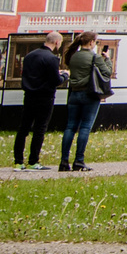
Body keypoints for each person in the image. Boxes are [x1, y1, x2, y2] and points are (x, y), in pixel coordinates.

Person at [59, 33, 112, 172]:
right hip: (89, 94)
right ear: (91, 42)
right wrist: (107, 60)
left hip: (74, 94)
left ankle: (64, 161)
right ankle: (79, 160)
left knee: (70, 127)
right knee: (85, 127)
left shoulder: (73, 56)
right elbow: (107, 73)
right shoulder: (95, 57)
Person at [14, 35, 65, 171]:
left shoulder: (30, 55)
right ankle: (33, 161)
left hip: (29, 95)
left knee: (23, 128)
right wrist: (64, 75)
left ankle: (18, 161)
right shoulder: (52, 58)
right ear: (56, 42)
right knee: (39, 129)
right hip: (45, 97)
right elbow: (56, 81)